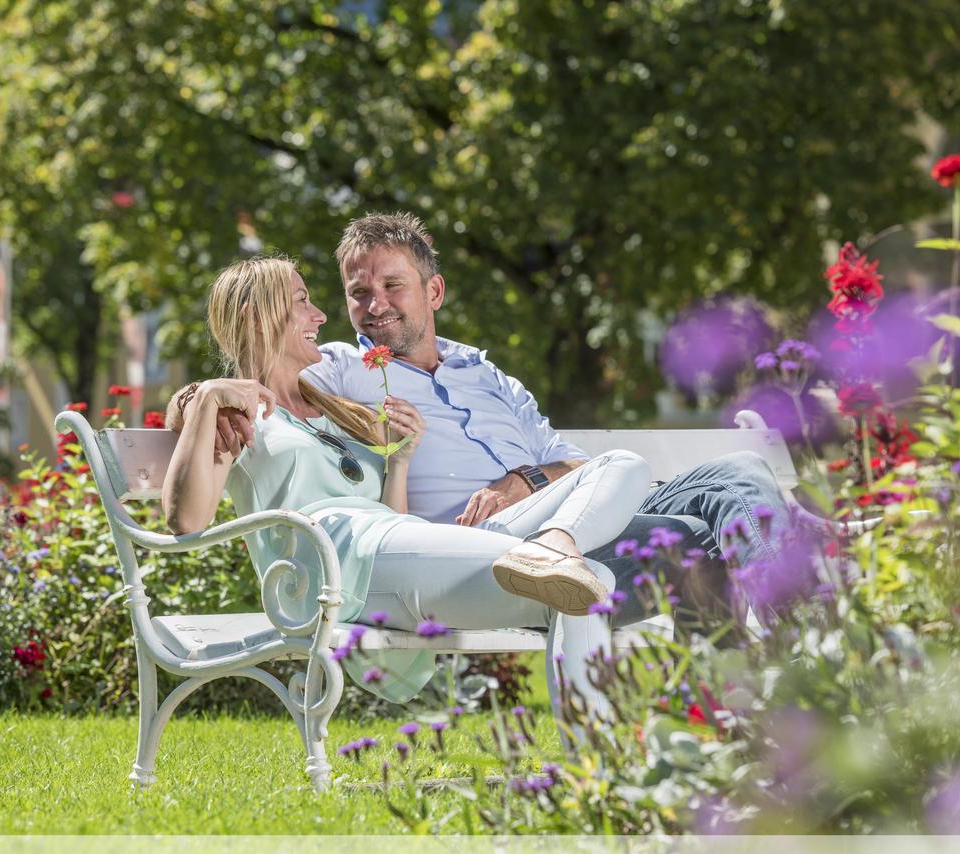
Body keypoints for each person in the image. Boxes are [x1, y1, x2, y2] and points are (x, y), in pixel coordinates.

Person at [170, 212, 792, 625]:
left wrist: (523, 479)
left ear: (433, 293)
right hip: (470, 552)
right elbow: (259, 371)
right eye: (358, 294)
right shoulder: (343, 370)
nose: (369, 307)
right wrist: (200, 396)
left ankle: (789, 619)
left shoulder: (488, 374)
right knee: (696, 542)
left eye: (392, 287)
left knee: (737, 471)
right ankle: (795, 637)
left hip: (571, 509)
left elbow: (575, 462)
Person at [161, 256, 652, 719]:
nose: (320, 313)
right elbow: (184, 519)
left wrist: (400, 463)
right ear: (255, 315)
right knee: (585, 581)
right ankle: (549, 557)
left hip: (388, 547)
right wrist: (203, 398)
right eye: (301, 300)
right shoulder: (234, 415)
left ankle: (592, 774)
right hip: (333, 565)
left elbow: (389, 517)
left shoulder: (334, 404)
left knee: (597, 562)